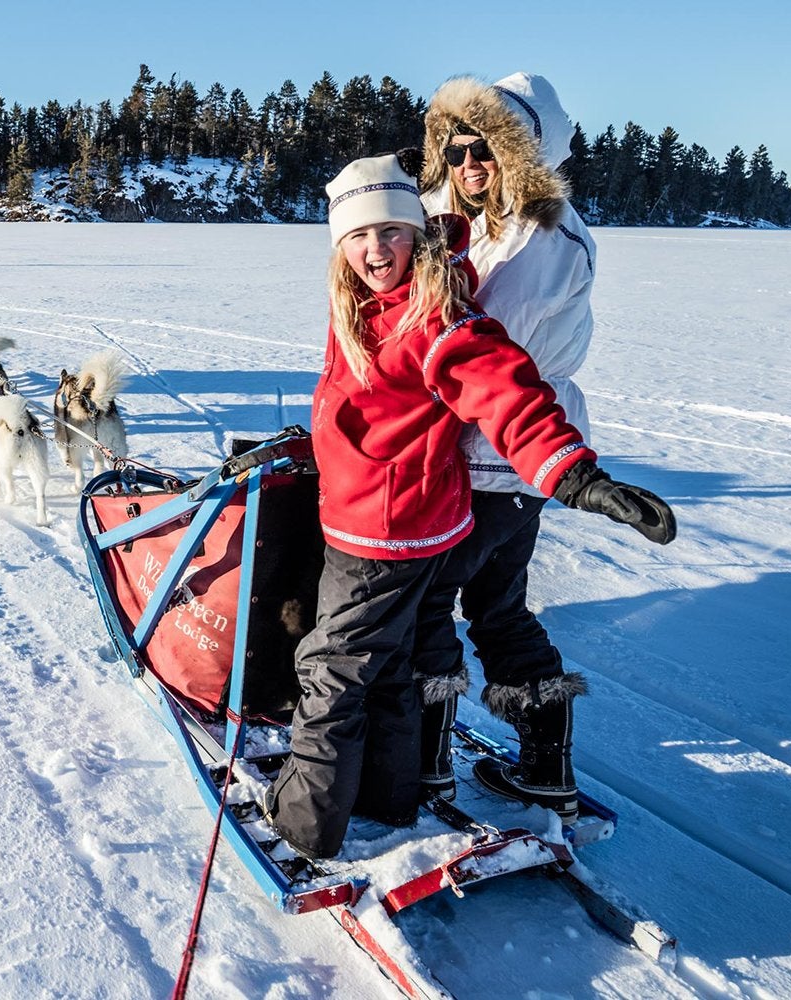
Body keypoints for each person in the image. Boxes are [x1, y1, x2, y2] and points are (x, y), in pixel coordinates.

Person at [265, 154, 674, 860]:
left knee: (331, 671)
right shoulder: (360, 300)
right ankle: (389, 799)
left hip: (386, 533)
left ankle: (304, 825)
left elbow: (504, 391)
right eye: (358, 237)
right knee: (388, 666)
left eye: (391, 232)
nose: (374, 251)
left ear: (416, 234)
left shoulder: (434, 316)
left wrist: (575, 477)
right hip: (385, 517)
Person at [399, 73, 658, 822]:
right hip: (503, 460)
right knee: (498, 607)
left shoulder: (542, 236)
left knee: (428, 608)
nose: (468, 164)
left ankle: (424, 770)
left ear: (524, 153)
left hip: (501, 449)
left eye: (486, 149)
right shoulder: (478, 220)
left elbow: (471, 345)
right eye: (454, 151)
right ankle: (545, 765)